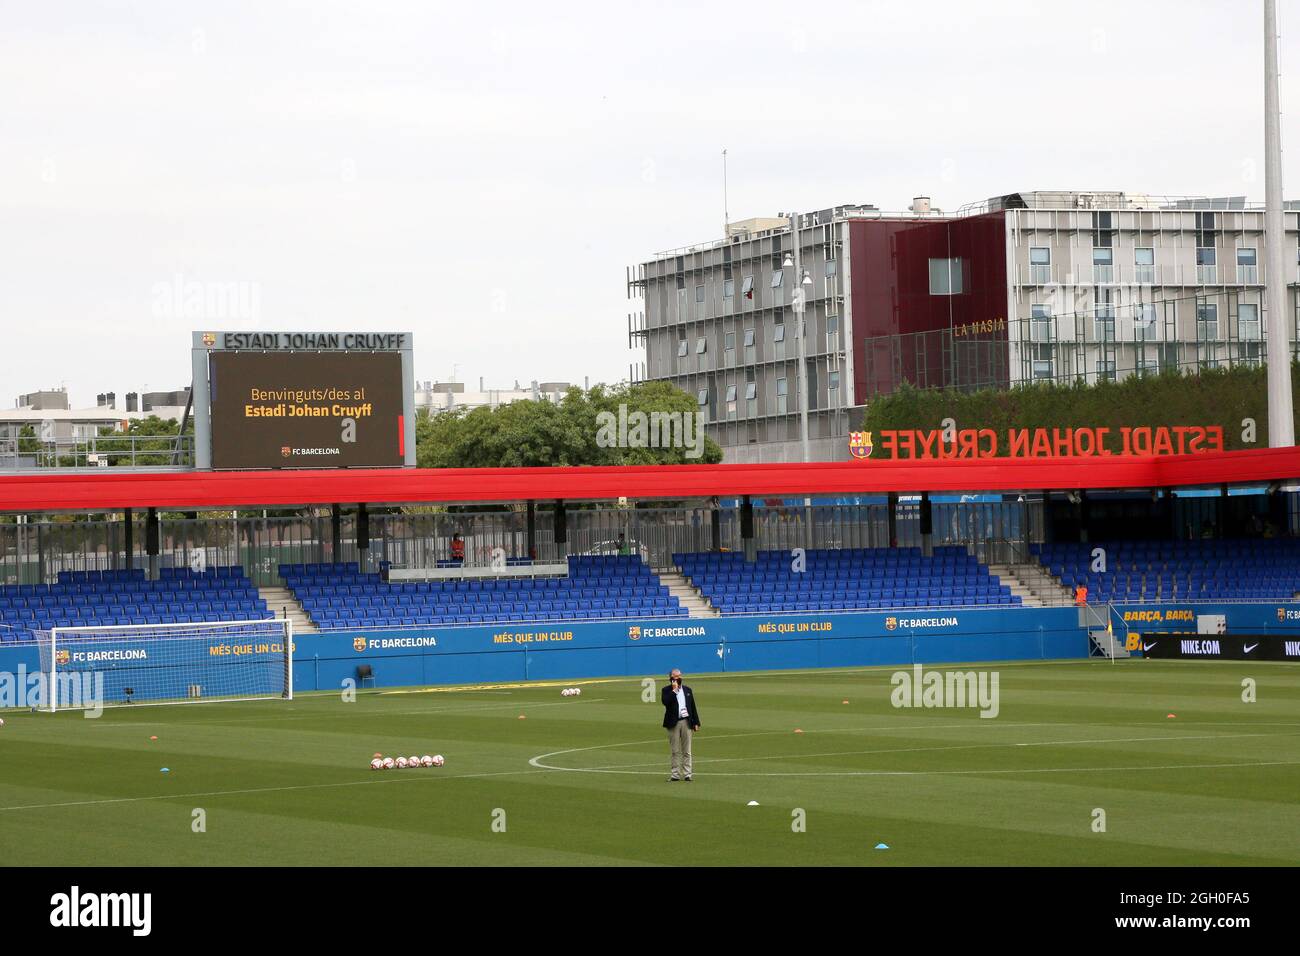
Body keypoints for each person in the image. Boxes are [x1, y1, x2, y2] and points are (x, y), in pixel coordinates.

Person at [661, 668, 701, 782]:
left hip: (686, 721)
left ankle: (688, 774)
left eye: (679, 676)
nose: (677, 678)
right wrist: (674, 691)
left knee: (687, 751)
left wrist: (696, 722)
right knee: (675, 751)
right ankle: (675, 774)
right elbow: (665, 702)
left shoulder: (687, 690)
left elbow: (692, 707)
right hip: (673, 722)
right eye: (675, 676)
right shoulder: (666, 690)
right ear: (670, 678)